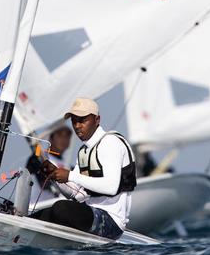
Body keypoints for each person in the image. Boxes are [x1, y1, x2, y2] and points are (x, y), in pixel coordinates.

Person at [31, 98, 136, 239]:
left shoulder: (110, 142)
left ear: (97, 119)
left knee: (60, 208)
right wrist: (54, 176)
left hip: (112, 222)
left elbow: (111, 186)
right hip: (89, 213)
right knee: (38, 216)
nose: (77, 126)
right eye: (74, 121)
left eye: (82, 120)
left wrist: (70, 176)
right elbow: (75, 194)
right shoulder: (84, 151)